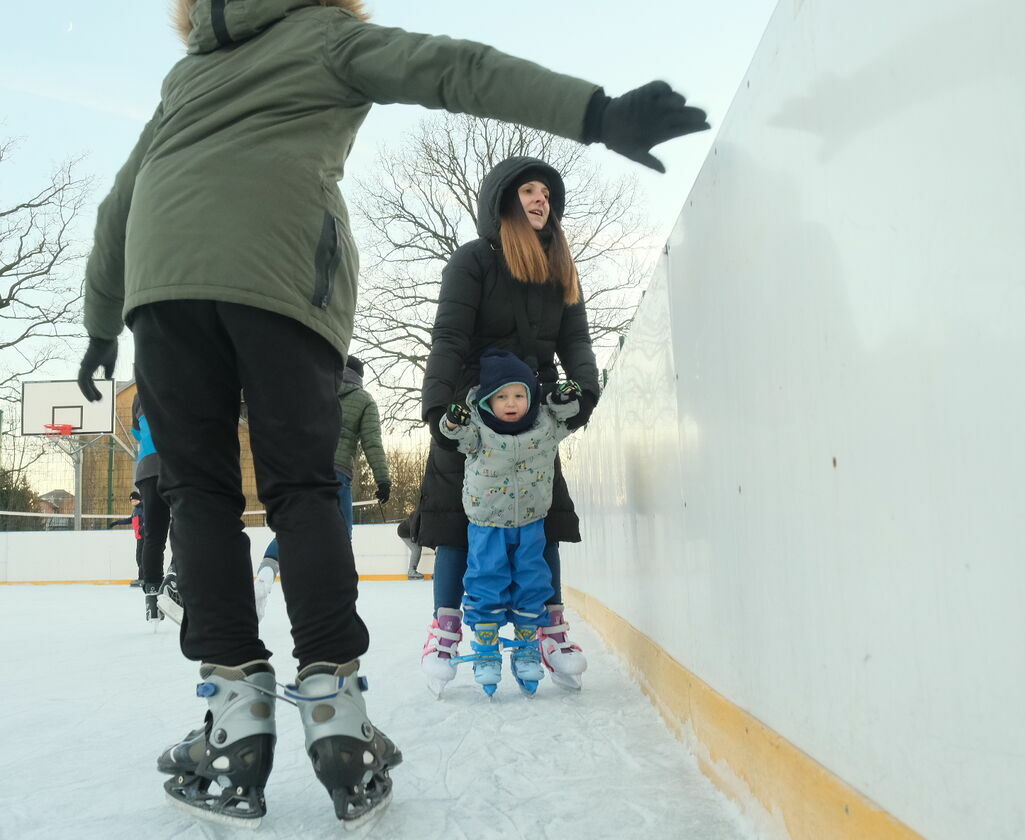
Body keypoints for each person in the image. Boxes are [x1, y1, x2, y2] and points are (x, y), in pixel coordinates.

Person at [76, 0, 707, 827]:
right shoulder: (327, 33)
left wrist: (99, 321)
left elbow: (119, 203)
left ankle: (234, 726)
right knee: (302, 490)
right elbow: (454, 70)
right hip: (281, 282)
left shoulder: (189, 72)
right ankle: (337, 717)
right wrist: (596, 113)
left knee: (198, 496)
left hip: (162, 293)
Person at [418, 156, 603, 694]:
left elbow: (576, 340)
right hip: (472, 407)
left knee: (542, 513)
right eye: (528, 191)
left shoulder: (560, 268)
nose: (540, 199)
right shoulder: (473, 261)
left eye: (546, 192)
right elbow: (449, 336)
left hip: (533, 408)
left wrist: (583, 392)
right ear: (503, 202)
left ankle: (547, 627)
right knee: (455, 515)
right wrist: (437, 408)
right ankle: (447, 628)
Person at [433, 348, 581, 696]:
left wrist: (563, 398)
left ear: (531, 397)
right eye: (502, 396)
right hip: (486, 525)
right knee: (486, 581)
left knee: (533, 582)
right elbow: (455, 435)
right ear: (487, 401)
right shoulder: (479, 430)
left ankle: (528, 648)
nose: (511, 402)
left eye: (519, 395)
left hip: (531, 522)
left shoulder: (544, 428)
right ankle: (486, 651)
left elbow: (564, 417)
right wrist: (453, 420)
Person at [254, 355, 390, 618]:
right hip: (336, 476)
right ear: (359, 377)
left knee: (290, 530)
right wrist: (382, 480)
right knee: (342, 536)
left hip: (302, 470)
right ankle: (337, 600)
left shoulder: (314, 390)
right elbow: (372, 443)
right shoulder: (364, 400)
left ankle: (265, 577)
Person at [131, 392, 177, 623]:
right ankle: (175, 578)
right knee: (186, 524)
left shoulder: (138, 396)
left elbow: (137, 433)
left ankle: (152, 598)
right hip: (176, 462)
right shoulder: (181, 379)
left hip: (147, 469)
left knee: (153, 536)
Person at [108, 490, 145, 587]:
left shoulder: (142, 508)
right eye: (132, 501)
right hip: (139, 537)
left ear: (139, 500)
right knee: (139, 558)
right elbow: (130, 520)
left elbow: (146, 520)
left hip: (144, 537)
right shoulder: (136, 510)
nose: (133, 502)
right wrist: (117, 522)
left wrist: (142, 529)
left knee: (141, 558)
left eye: (135, 500)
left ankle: (143, 578)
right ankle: (142, 577)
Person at [397, 510, 424, 580]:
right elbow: (413, 528)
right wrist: (414, 538)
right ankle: (411, 571)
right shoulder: (418, 514)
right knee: (416, 549)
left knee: (419, 547)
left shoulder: (429, 515)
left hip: (413, 532)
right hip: (404, 531)